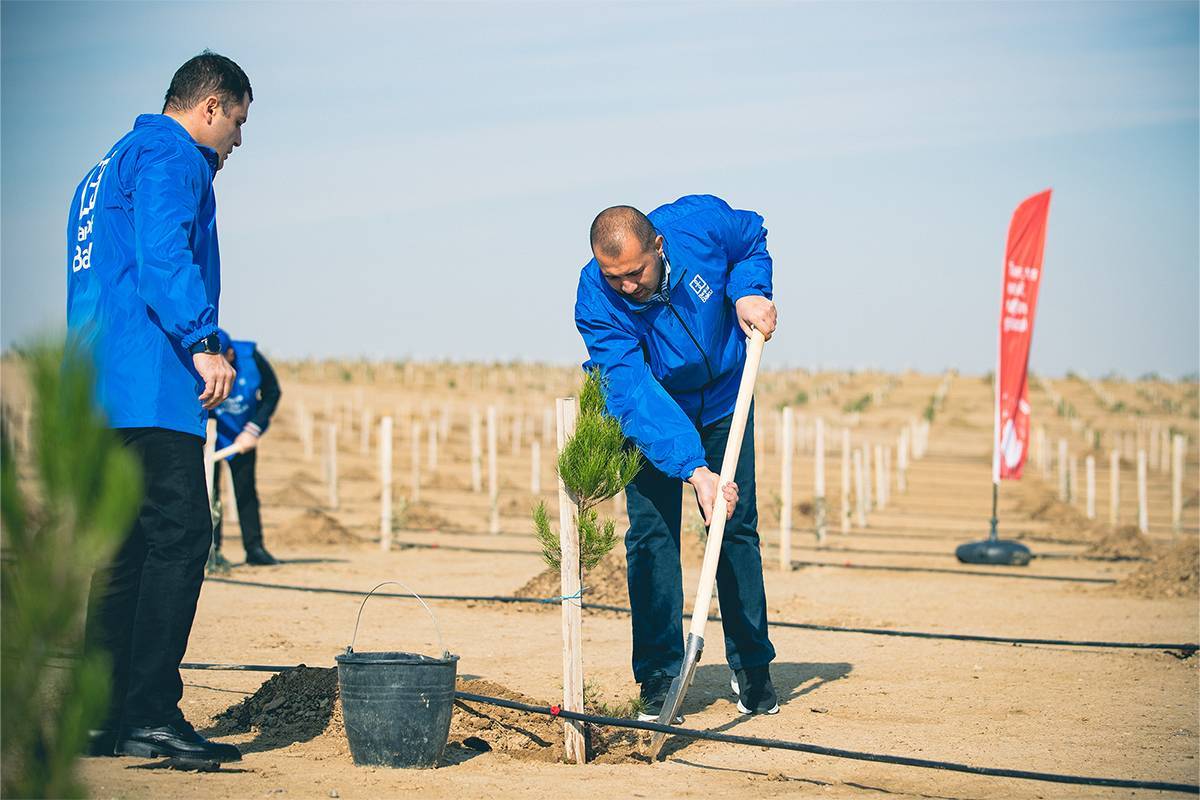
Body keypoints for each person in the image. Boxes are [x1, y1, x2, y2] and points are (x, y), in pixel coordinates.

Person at [68, 51, 252, 763]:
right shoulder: (170, 153)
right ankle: (150, 713)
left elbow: (112, 276)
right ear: (210, 107)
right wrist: (202, 338)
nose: (237, 140)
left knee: (124, 551)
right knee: (180, 541)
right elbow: (162, 254)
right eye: (237, 122)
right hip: (152, 386)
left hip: (99, 386)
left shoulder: (105, 167)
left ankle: (100, 718)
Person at [574, 195, 780, 722]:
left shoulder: (701, 224)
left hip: (726, 400)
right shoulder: (596, 298)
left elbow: (750, 237)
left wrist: (748, 292)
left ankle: (752, 663)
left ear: (658, 246)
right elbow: (632, 390)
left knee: (734, 526)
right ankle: (660, 673)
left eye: (635, 272)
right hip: (654, 411)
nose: (626, 286)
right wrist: (695, 470)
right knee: (651, 534)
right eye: (612, 275)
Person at [209, 328, 283, 568]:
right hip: (211, 434)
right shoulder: (201, 360)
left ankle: (254, 548)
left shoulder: (251, 358)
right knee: (209, 493)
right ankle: (213, 550)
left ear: (231, 352)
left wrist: (253, 429)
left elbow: (273, 392)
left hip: (243, 434)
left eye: (227, 356)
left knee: (245, 489)